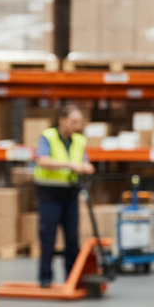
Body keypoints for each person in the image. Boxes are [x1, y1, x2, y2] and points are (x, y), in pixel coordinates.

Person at [33, 105, 94, 288]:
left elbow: (84, 160)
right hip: (49, 195)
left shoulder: (79, 140)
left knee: (72, 240)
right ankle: (45, 278)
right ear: (62, 121)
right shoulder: (48, 136)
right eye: (73, 122)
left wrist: (86, 167)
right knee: (48, 239)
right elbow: (43, 160)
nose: (77, 126)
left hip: (70, 195)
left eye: (79, 123)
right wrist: (70, 165)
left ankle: (72, 278)